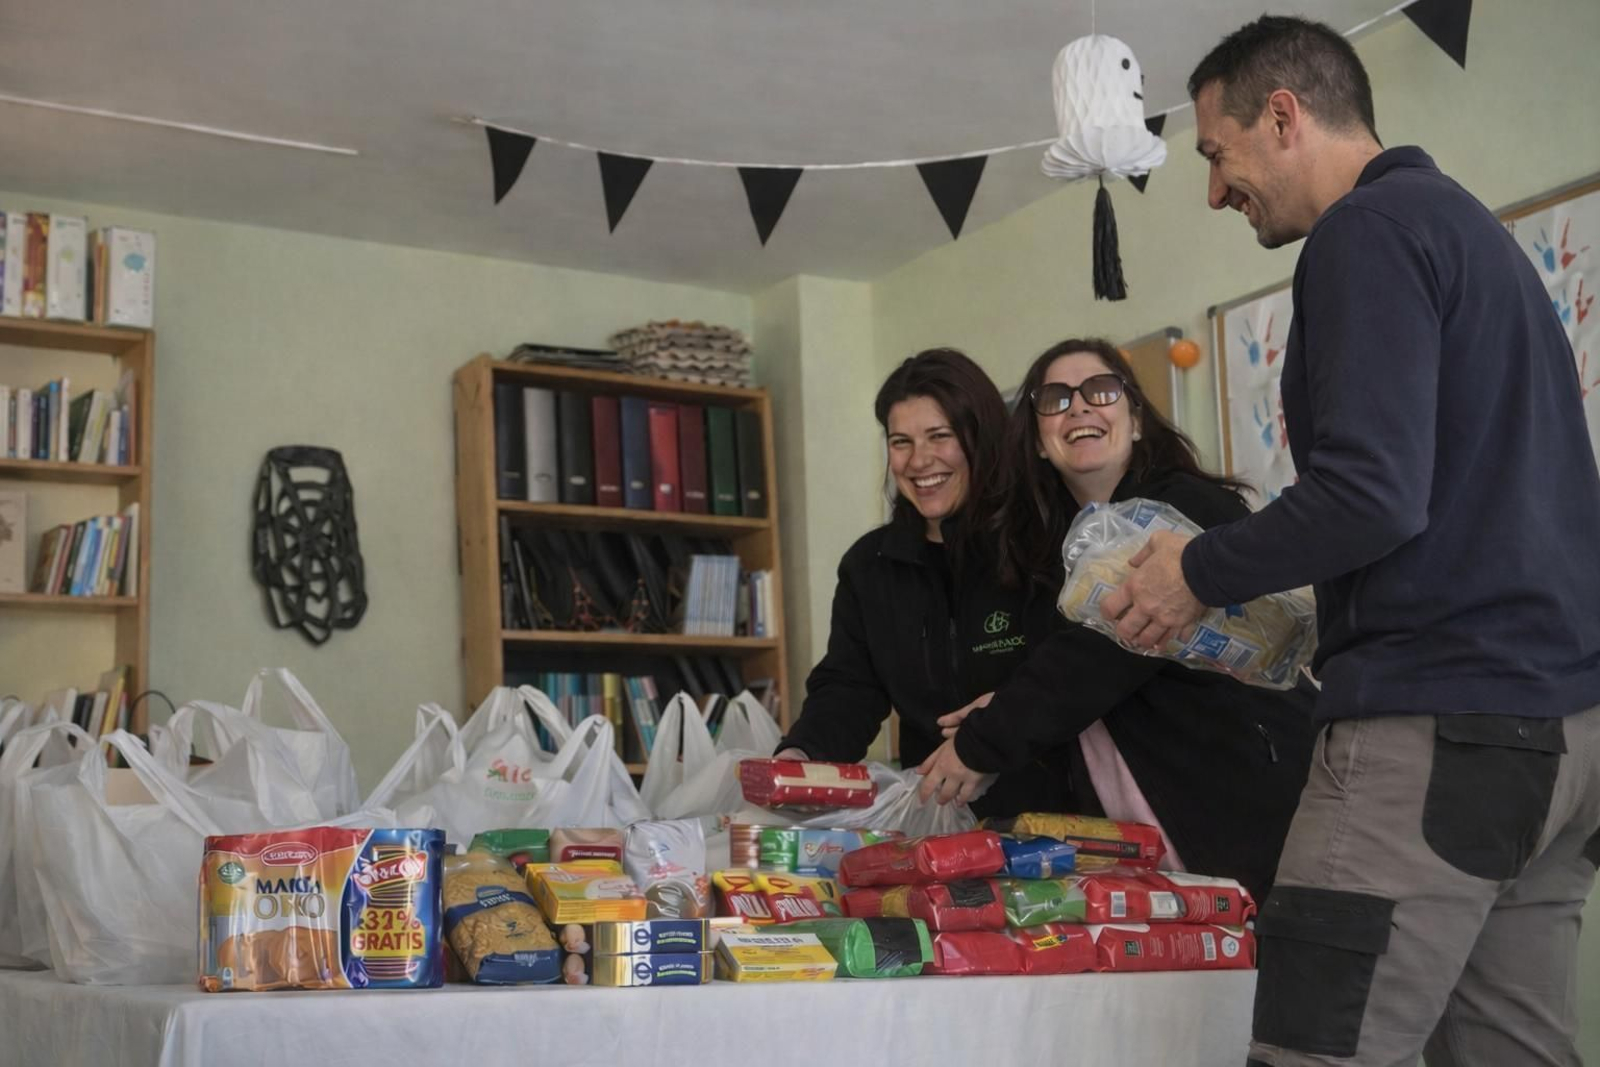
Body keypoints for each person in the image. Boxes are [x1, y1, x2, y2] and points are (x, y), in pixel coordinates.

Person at [1101, 16, 1600, 1067]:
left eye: (1215, 154)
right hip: (1562, 738)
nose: (1213, 191)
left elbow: (1371, 495)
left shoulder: (1364, 232)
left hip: (1435, 731)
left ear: (1283, 116)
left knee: (1312, 1049)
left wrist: (1197, 571)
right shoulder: (1473, 236)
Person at [915, 338, 1315, 902]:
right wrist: (1004, 704)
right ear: (1037, 441)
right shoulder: (1047, 551)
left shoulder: (1189, 507)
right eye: (1055, 398)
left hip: (1243, 799)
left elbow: (1101, 651)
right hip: (1140, 827)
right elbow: (1067, 663)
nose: (1079, 406)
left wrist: (985, 742)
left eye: (1100, 391)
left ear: (1136, 420)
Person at [775, 347, 1078, 818]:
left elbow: (1073, 679)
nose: (919, 461)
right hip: (936, 821)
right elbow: (849, 688)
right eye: (901, 442)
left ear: (983, 438)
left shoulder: (1046, 543)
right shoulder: (869, 565)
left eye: (940, 436)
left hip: (1059, 823)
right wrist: (801, 755)